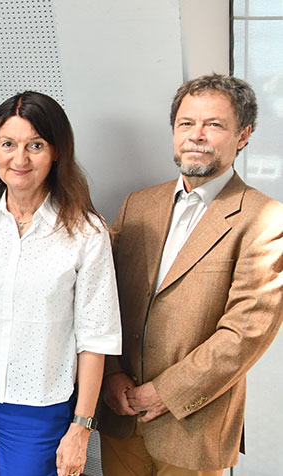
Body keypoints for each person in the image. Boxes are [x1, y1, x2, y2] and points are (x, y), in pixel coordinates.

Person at [0, 91, 122, 476]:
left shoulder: (86, 232)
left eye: (36, 145)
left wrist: (81, 428)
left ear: (58, 152)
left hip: (38, 406)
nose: (20, 159)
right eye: (8, 144)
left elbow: (96, 339)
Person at [96, 74, 283, 475]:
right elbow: (102, 298)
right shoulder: (137, 204)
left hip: (193, 426)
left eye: (213, 125)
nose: (196, 135)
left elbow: (244, 335)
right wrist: (111, 374)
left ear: (243, 135)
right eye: (186, 123)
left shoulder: (265, 219)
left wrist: (163, 393)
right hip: (120, 412)